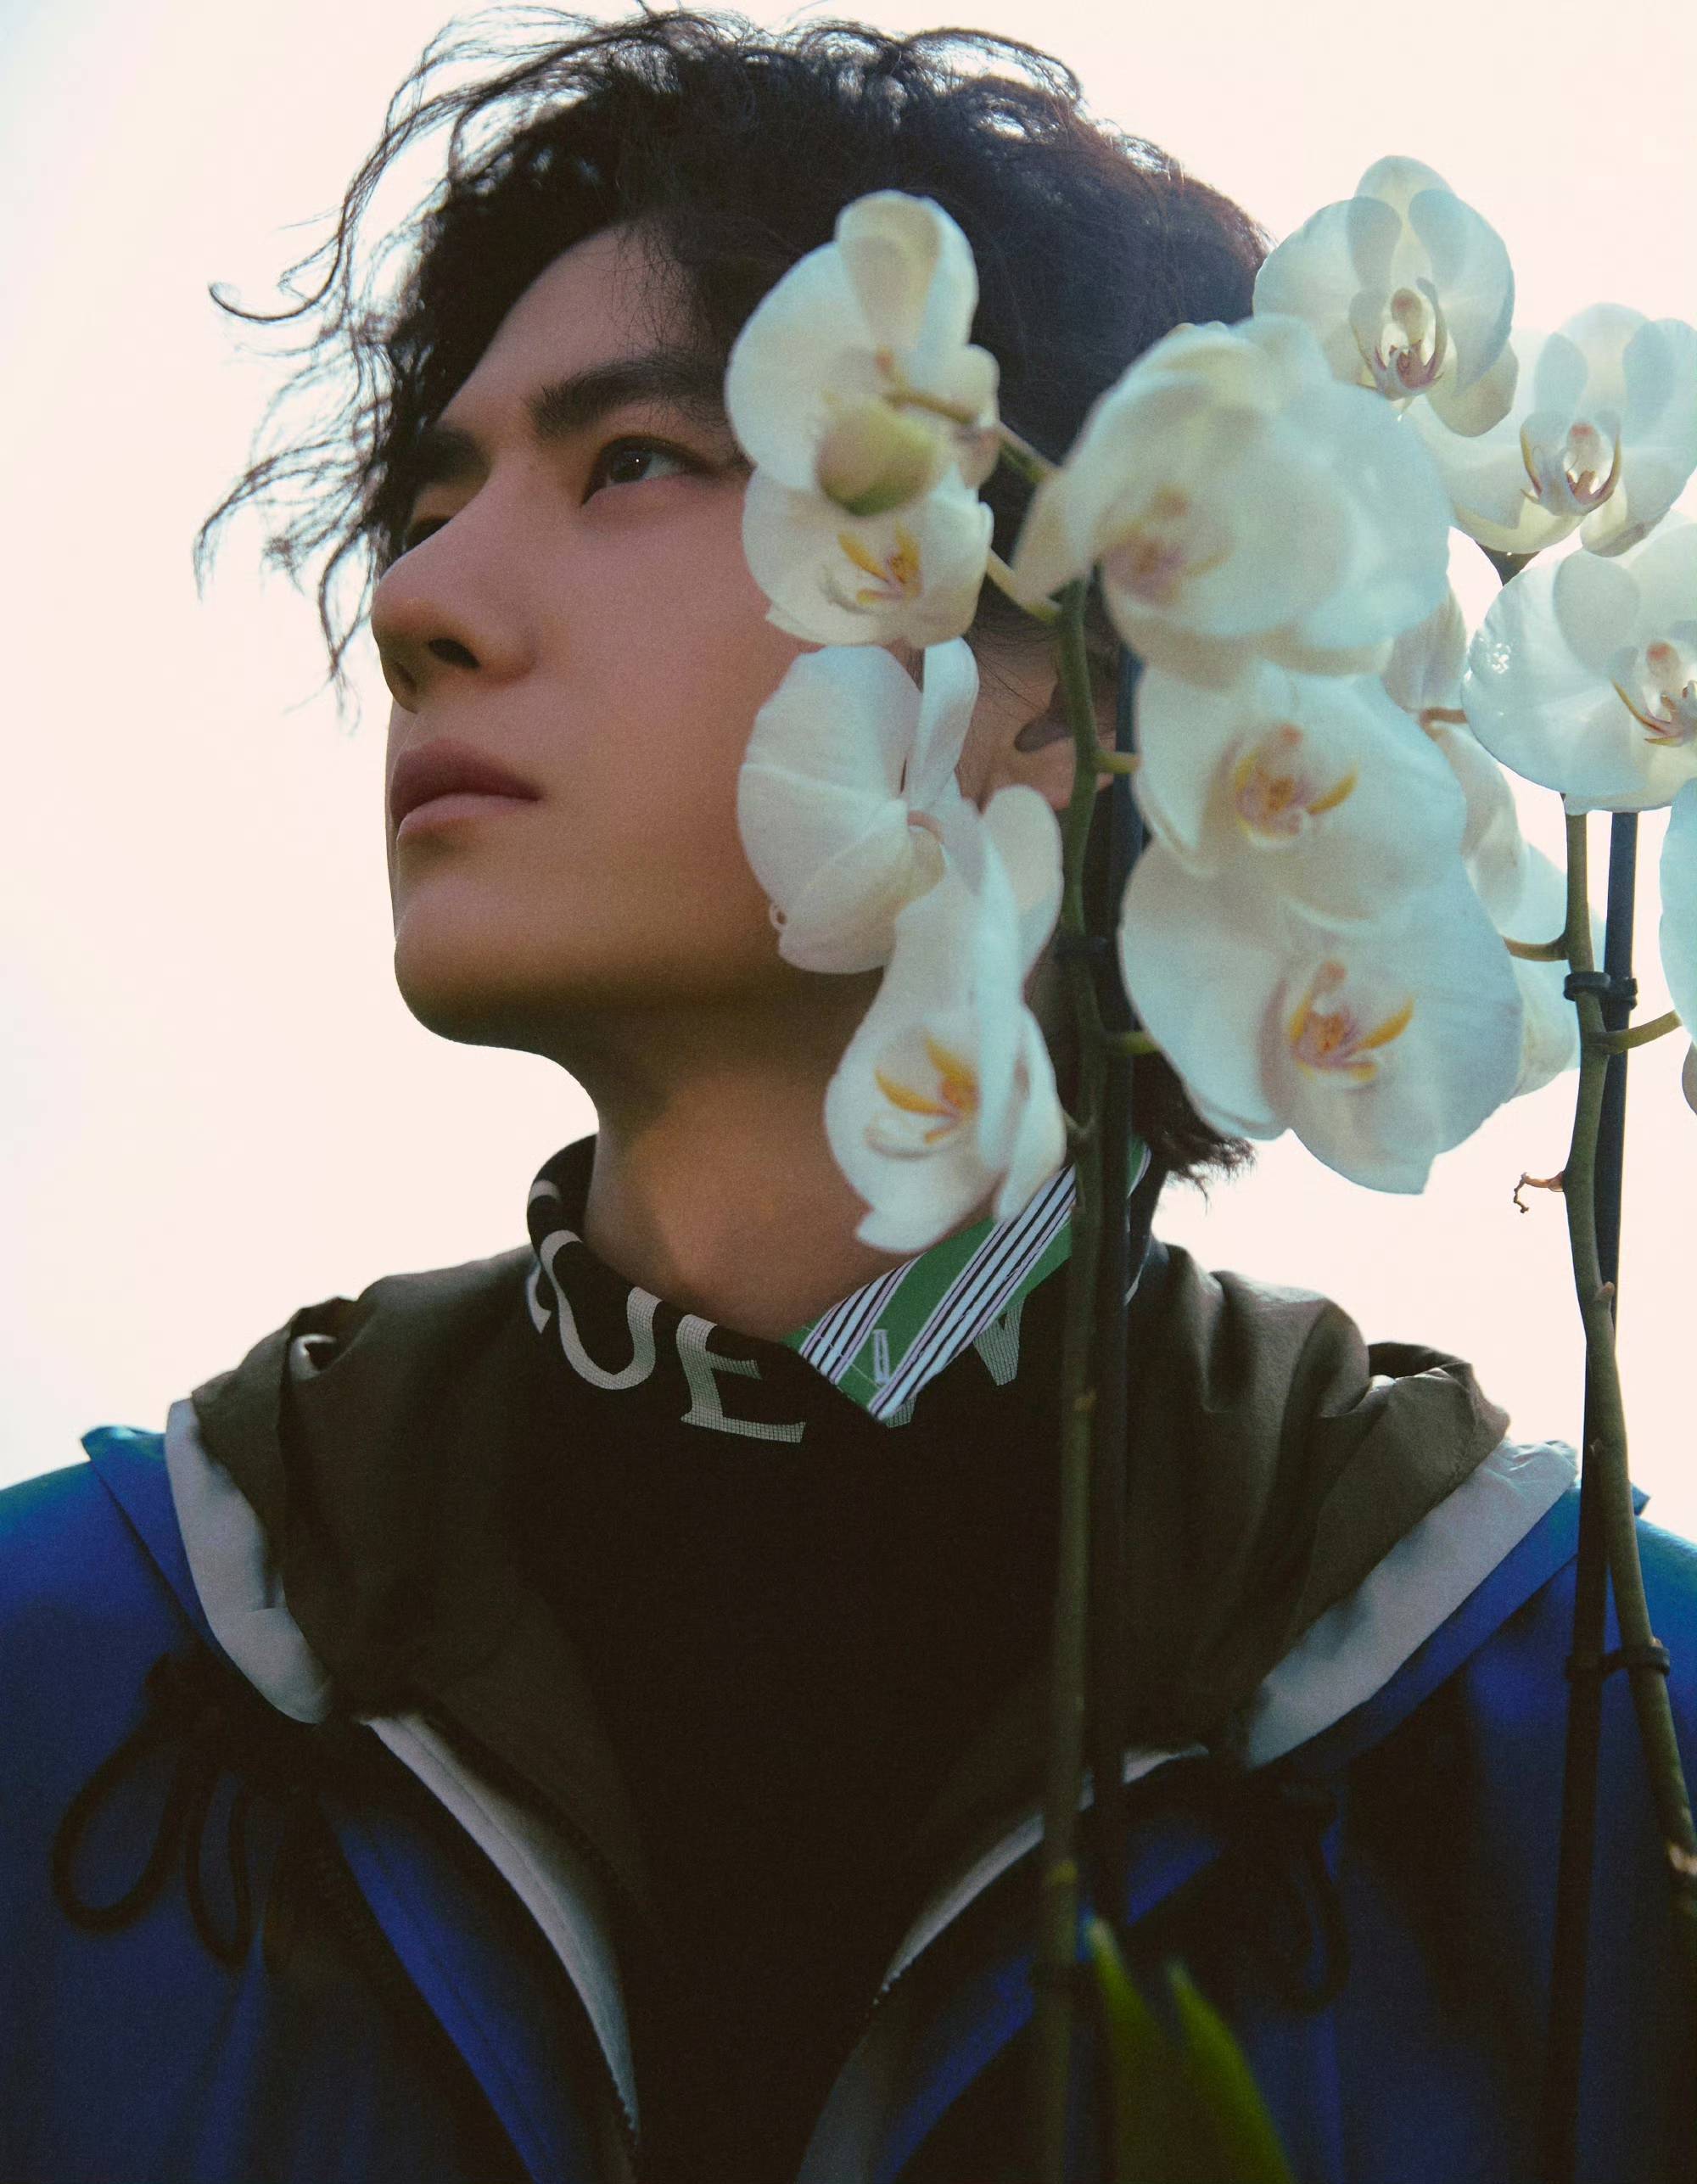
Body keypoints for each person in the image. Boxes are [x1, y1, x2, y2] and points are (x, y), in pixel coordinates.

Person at [2, 12, 1694, 2183]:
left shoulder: (1569, 1724)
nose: (417, 602)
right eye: (426, 505)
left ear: (1090, 651)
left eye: (630, 464)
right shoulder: (82, 1671)